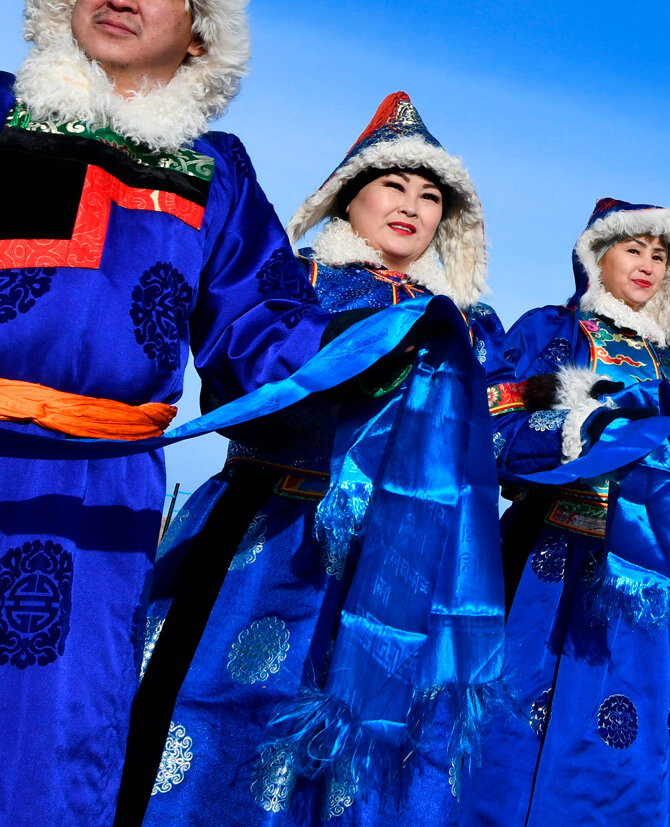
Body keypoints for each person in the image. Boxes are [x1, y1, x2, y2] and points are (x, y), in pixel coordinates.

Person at [0, 0, 336, 826]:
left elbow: (265, 334)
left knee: (52, 738)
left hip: (96, 496)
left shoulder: (214, 174)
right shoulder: (1, 111)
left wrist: (374, 360)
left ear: (198, 36)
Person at [122, 91, 502, 825]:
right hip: (268, 531)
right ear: (346, 197)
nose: (412, 207)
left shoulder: (470, 328)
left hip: (402, 560)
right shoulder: (296, 284)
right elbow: (238, 375)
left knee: (370, 745)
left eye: (430, 197)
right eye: (393, 184)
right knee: (228, 710)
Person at [471, 199, 670, 827]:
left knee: (635, 731)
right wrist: (570, 430)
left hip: (651, 575)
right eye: (632, 249)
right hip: (551, 558)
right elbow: (491, 428)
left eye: (659, 256)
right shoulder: (549, 334)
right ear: (594, 256)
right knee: (523, 713)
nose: (647, 265)